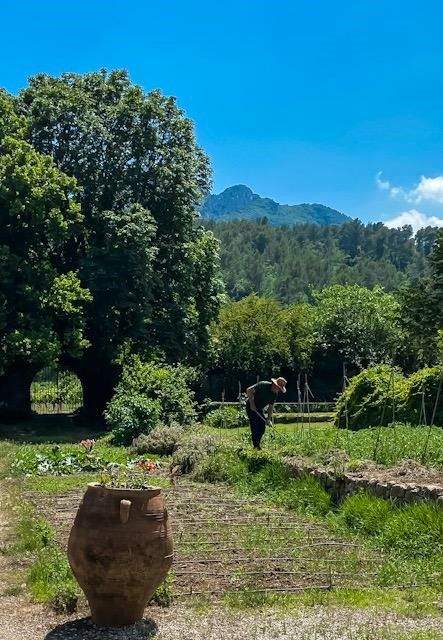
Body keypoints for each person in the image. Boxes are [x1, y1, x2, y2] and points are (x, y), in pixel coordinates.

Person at [245, 377, 287, 449]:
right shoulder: (263, 385)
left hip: (259, 409)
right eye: (278, 388)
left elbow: (271, 407)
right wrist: (252, 404)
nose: (278, 390)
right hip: (251, 406)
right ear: (274, 385)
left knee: (262, 427)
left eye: (280, 389)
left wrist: (268, 419)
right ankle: (256, 446)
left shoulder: (274, 394)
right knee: (255, 426)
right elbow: (249, 390)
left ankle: (257, 444)